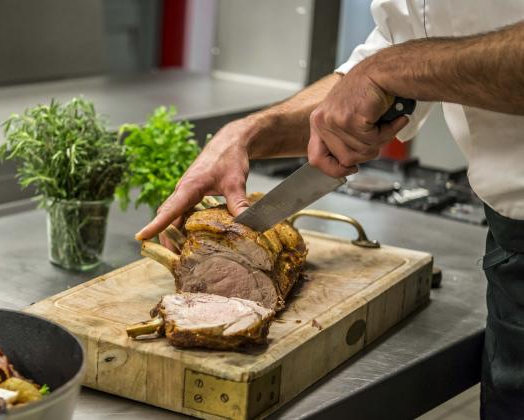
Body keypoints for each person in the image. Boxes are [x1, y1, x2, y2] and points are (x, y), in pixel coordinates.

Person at [136, 1, 524, 418]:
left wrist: (391, 68)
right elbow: (373, 79)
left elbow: (399, 65)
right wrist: (248, 133)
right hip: (510, 250)